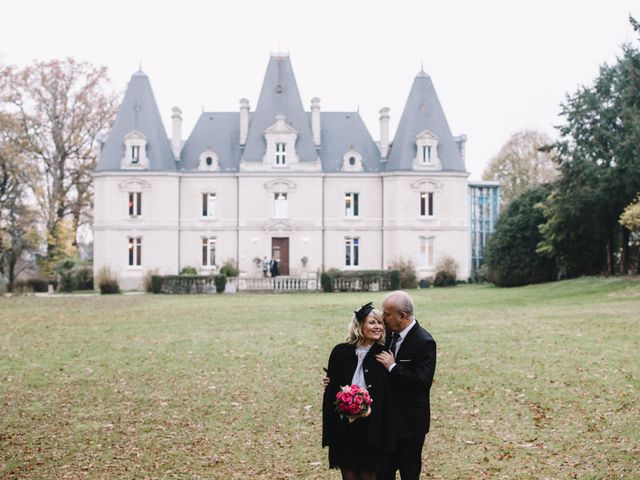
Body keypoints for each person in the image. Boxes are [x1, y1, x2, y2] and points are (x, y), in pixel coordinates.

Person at [322, 302, 397, 480]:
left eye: (380, 323)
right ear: (359, 325)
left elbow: (389, 392)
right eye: (372, 322)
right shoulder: (340, 352)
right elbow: (332, 387)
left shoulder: (384, 354)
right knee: (348, 472)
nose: (377, 327)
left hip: (372, 426)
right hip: (345, 425)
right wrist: (329, 384)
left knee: (369, 473)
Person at [374, 291, 437, 480]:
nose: (382, 318)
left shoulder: (424, 341)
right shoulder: (389, 336)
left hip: (410, 425)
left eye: (387, 314)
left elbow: (422, 382)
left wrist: (393, 367)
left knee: (409, 474)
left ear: (402, 316)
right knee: (383, 473)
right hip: (387, 422)